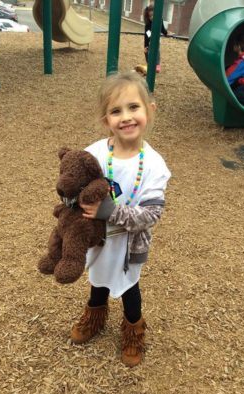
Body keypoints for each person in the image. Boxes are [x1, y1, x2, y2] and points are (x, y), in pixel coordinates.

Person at [71, 72, 171, 367]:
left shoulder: (154, 165)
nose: (126, 117)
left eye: (133, 107)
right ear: (106, 120)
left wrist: (109, 211)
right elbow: (73, 185)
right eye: (116, 111)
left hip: (128, 245)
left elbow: (151, 214)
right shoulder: (95, 154)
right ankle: (95, 316)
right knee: (98, 279)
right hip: (98, 238)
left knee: (129, 288)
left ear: (149, 110)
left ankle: (133, 331)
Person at [144, 3, 167, 74]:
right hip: (150, 39)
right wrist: (146, 46)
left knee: (156, 49)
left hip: (157, 38)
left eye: (153, 15)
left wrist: (165, 33)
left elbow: (162, 28)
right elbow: (147, 35)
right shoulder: (148, 24)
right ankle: (150, 64)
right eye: (150, 16)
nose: (152, 17)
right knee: (147, 52)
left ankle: (157, 65)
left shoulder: (159, 20)